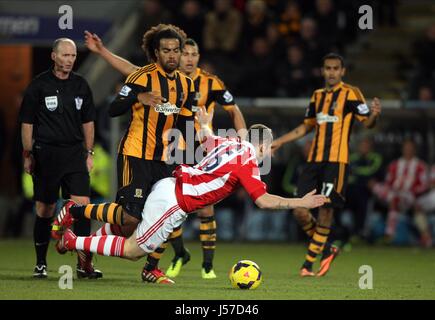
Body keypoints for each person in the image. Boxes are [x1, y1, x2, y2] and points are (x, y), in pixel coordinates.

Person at [53, 107, 327, 272]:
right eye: (272, 149)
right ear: (265, 145)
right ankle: (72, 239)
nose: (271, 154)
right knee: (134, 250)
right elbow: (264, 201)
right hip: (174, 200)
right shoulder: (248, 161)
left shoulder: (231, 143)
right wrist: (300, 202)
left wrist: (205, 122)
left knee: (128, 225)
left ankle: (78, 226)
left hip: (171, 187)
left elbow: (206, 140)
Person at [84, 33, 247, 279]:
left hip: (176, 153)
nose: (183, 57)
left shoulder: (204, 84)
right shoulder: (148, 76)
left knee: (179, 209)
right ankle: (78, 219)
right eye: (171, 51)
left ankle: (178, 266)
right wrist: (104, 53)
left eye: (188, 53)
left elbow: (209, 116)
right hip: (142, 152)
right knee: (132, 217)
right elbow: (123, 87)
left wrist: (224, 148)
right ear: (159, 53)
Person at [55, 24, 195, 285]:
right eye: (166, 51)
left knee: (170, 211)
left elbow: (186, 124)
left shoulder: (186, 85)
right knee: (131, 217)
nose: (173, 56)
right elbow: (113, 109)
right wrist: (138, 98)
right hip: (135, 154)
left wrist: (192, 158)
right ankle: (76, 211)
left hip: (164, 159)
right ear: (156, 53)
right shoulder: (141, 77)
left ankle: (149, 267)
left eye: (176, 50)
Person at [272, 53, 382, 277]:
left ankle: (308, 264)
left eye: (335, 68)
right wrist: (280, 141)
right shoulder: (317, 96)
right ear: (323, 71)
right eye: (328, 68)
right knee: (300, 210)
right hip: (313, 161)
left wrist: (374, 116)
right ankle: (329, 245)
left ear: (342, 71)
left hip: (336, 161)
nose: (331, 72)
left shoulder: (351, 93)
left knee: (325, 211)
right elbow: (305, 127)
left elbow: (367, 123)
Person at [18, 38, 102, 278]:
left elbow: (88, 122)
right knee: (45, 209)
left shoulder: (81, 85)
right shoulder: (38, 85)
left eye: (73, 56)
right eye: (65, 55)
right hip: (46, 154)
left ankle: (83, 265)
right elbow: (27, 123)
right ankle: (41, 264)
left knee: (82, 208)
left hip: (75, 154)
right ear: (53, 56)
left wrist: (89, 152)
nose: (69, 60)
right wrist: (28, 154)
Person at [370, 139, 431, 247]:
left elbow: (424, 185)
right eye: (406, 148)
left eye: (410, 148)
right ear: (402, 149)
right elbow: (388, 182)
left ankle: (390, 233)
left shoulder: (420, 166)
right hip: (393, 192)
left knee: (395, 199)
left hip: (409, 195)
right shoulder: (394, 164)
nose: (408, 150)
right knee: (375, 186)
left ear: (414, 150)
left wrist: (412, 191)